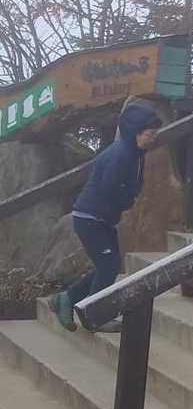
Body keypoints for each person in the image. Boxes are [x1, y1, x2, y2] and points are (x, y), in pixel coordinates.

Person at [49, 100, 163, 334]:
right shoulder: (121, 155)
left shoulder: (136, 153)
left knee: (107, 266)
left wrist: (127, 197)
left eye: (155, 133)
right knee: (108, 265)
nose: (153, 138)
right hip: (90, 218)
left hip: (101, 218)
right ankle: (94, 315)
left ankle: (66, 298)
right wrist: (127, 200)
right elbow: (110, 187)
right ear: (135, 132)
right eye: (150, 134)